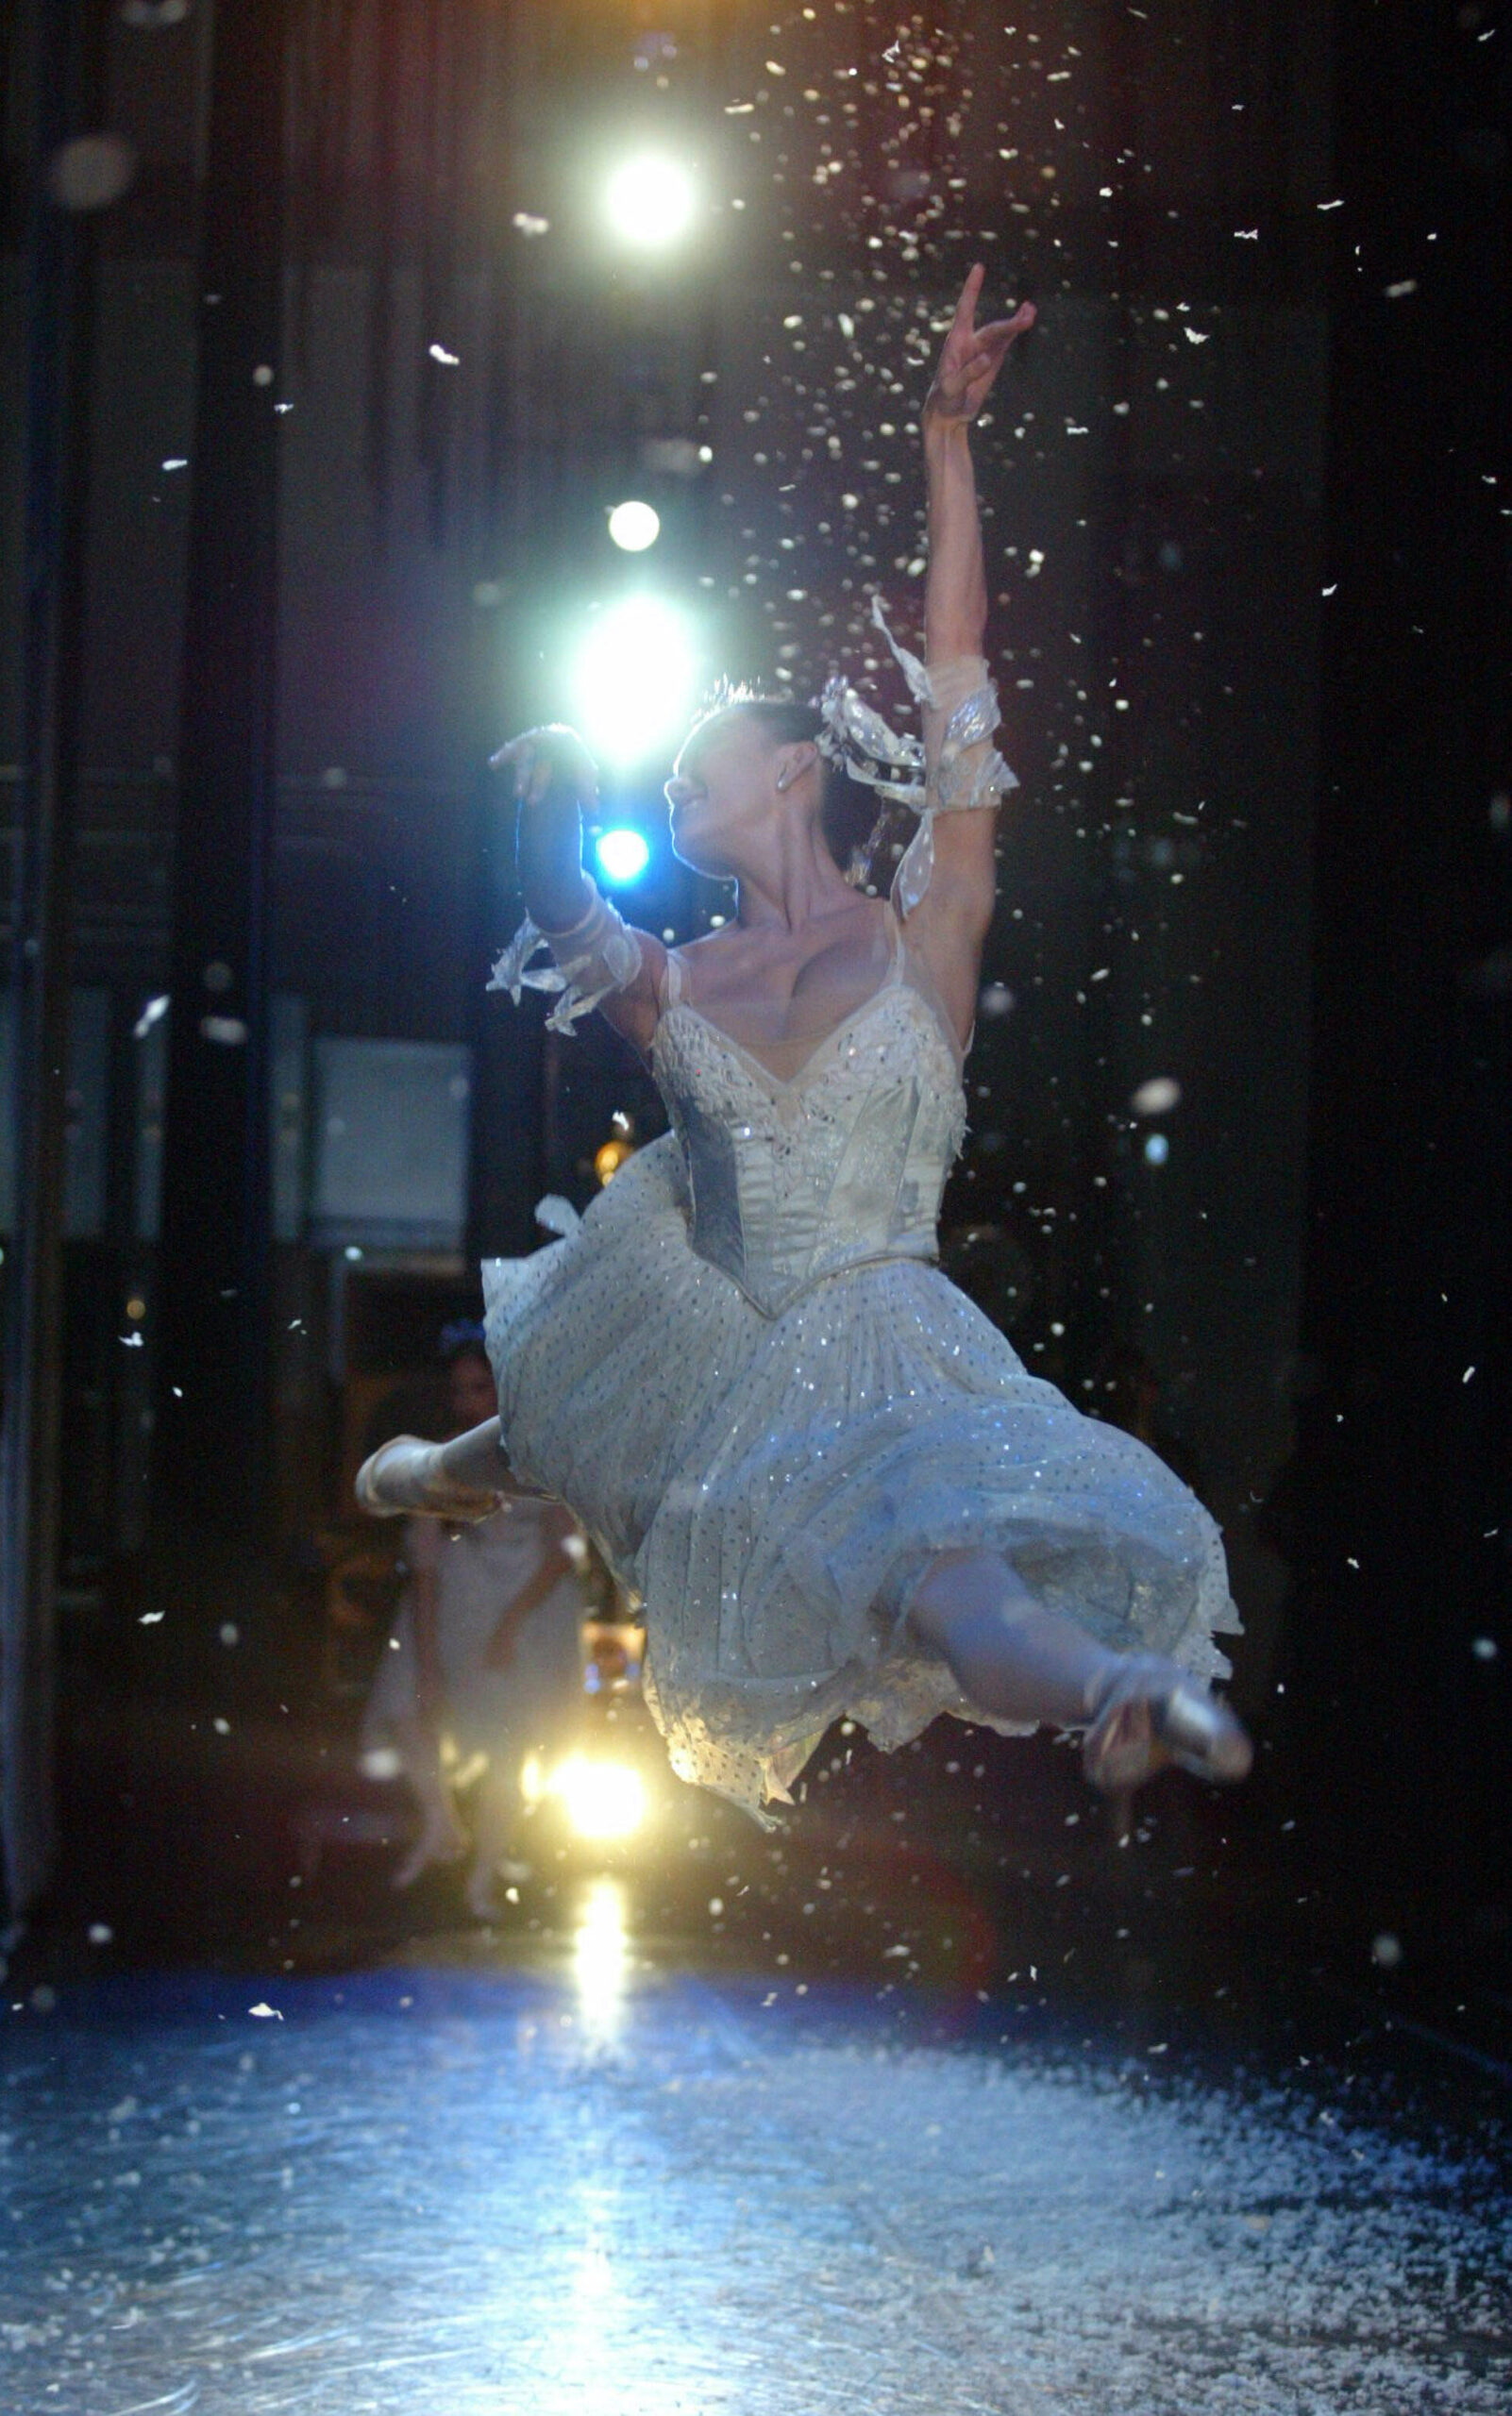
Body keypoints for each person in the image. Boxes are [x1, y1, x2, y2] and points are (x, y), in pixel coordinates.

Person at [358, 265, 1251, 1828]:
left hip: (886, 1334)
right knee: (572, 1432)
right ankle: (434, 1469)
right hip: (720, 1330)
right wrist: (547, 804)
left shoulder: (926, 935)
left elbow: (962, 679)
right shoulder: (681, 980)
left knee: (942, 1586)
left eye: (698, 759)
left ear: (788, 769)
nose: (675, 781)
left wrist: (947, 439)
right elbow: (563, 911)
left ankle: (1121, 1690)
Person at [361, 1329, 586, 1906]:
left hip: (531, 1600)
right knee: (409, 1702)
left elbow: (567, 1551)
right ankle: (441, 1820)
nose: (467, 1403)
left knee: (511, 1741)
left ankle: (485, 1871)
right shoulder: (445, 1456)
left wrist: (512, 1622)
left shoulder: (539, 1452)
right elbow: (427, 1564)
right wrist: (431, 1661)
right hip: (468, 1591)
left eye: (480, 1388)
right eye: (461, 1390)